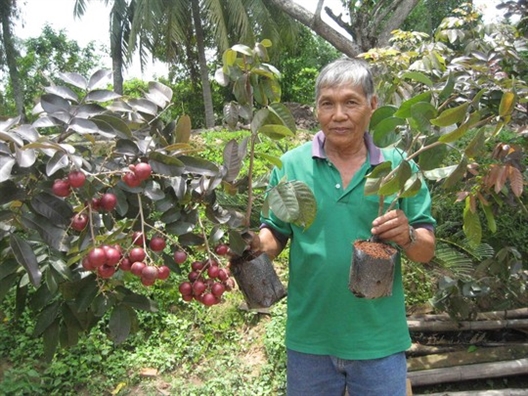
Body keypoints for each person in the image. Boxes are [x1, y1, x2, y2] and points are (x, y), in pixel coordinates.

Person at [256, 58, 436, 395]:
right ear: (316, 109)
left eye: (350, 102)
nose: (338, 115)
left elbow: (426, 249)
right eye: (328, 103)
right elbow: (275, 235)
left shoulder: (398, 167)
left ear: (372, 105)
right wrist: (250, 245)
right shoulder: (290, 165)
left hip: (378, 340)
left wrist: (408, 234)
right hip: (310, 339)